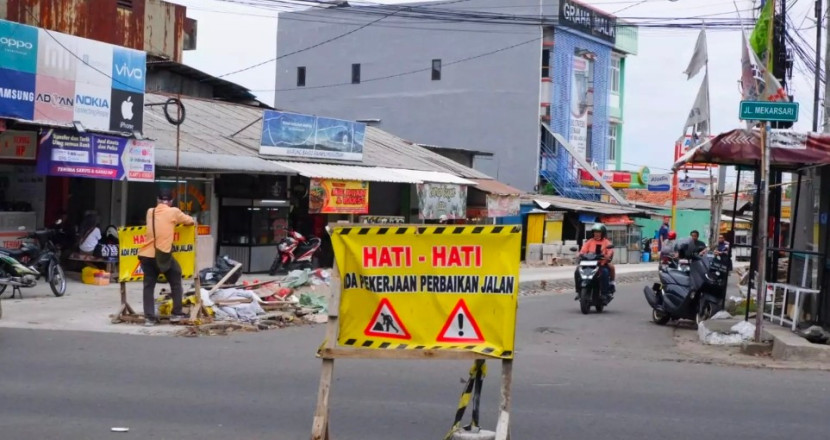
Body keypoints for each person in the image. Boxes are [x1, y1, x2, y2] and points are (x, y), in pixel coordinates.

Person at [138, 189, 195, 326]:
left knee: (148, 286)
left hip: (146, 254)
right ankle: (176, 314)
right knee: (176, 278)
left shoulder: (150, 212)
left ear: (157, 200)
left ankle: (149, 318)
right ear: (171, 201)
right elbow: (190, 221)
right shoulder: (173, 211)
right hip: (162, 254)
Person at [575, 223, 615, 300]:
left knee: (605, 272)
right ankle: (578, 292)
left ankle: (604, 293)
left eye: (599, 232)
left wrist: (607, 256)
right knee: (577, 271)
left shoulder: (606, 242)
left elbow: (610, 251)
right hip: (588, 264)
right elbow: (583, 251)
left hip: (601, 264)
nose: (596, 234)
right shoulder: (589, 241)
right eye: (595, 232)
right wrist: (579, 254)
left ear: (602, 233)